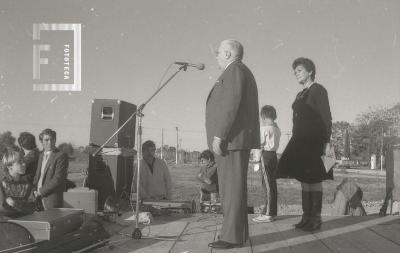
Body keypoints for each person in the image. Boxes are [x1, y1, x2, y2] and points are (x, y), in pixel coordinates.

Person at [206, 39, 260, 249]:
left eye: (218, 52)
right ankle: (236, 235)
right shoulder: (237, 71)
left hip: (231, 141)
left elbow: (231, 104)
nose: (216, 56)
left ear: (228, 54)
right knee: (232, 190)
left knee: (232, 190)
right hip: (233, 140)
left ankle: (230, 237)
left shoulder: (235, 71)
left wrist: (220, 135)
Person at [277, 57, 332, 231]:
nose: (296, 74)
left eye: (299, 70)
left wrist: (325, 141)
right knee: (304, 178)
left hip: (315, 141)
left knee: (314, 179)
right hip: (300, 141)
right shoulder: (300, 94)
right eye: (295, 72)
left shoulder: (318, 90)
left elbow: (326, 117)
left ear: (310, 71)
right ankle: (306, 217)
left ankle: (316, 218)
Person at [252, 105, 281, 223]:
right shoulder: (277, 129)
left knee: (267, 186)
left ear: (263, 116)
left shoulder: (263, 129)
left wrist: (256, 161)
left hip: (265, 156)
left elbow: (258, 145)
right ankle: (271, 212)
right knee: (272, 185)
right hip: (274, 156)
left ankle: (268, 213)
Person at [33, 128, 69, 210]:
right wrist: (34, 190)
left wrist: (40, 192)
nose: (50, 142)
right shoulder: (41, 155)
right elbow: (37, 176)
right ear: (41, 141)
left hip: (51, 199)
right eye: (46, 140)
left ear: (55, 140)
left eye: (52, 139)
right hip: (37, 198)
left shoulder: (61, 156)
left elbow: (58, 179)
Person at [0, 146, 35, 218]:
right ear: (10, 167)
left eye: (23, 161)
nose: (24, 164)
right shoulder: (2, 184)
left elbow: (31, 208)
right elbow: (3, 209)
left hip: (24, 222)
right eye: (20, 162)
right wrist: (22, 206)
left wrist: (15, 204)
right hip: (6, 224)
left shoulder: (27, 184)